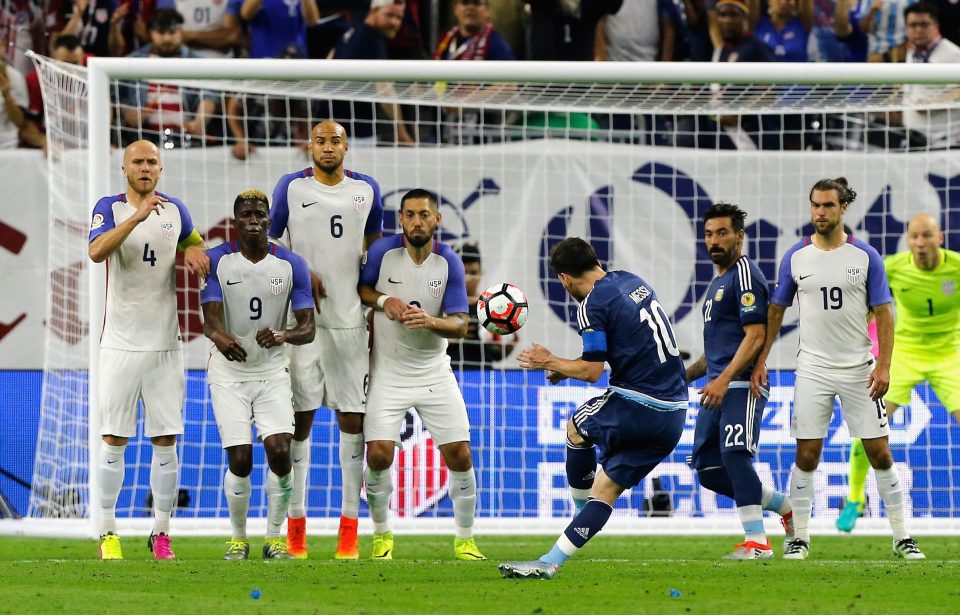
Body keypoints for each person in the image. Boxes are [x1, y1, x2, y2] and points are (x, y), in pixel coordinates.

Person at [750, 177, 925, 560]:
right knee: (807, 455)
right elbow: (777, 309)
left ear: (843, 208)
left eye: (828, 206)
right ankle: (799, 538)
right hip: (812, 369)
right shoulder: (796, 256)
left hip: (859, 369)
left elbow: (884, 313)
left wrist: (884, 365)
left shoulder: (865, 257)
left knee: (880, 453)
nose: (820, 212)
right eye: (815, 205)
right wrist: (761, 358)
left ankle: (902, 537)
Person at [499, 238, 688, 580]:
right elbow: (611, 351)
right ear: (596, 260)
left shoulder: (590, 304)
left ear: (564, 278)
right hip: (674, 414)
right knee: (607, 490)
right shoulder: (632, 280)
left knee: (576, 427)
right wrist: (562, 366)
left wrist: (550, 359)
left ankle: (578, 511)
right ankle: (550, 561)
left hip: (638, 402)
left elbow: (591, 371)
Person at [87, 139, 209, 560]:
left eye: (152, 162)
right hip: (119, 344)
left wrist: (194, 251)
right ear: (124, 169)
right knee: (113, 438)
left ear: (161, 169)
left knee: (165, 440)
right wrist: (136, 218)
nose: (145, 168)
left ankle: (161, 534)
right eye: (137, 162)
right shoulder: (110, 207)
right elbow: (96, 251)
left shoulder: (176, 211)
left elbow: (195, 245)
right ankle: (107, 533)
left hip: (164, 345)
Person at [269, 120, 383, 560]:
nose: (328, 147)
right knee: (300, 422)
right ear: (310, 146)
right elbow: (271, 242)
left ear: (346, 146)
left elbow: (374, 248)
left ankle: (349, 531)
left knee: (352, 423)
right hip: (304, 325)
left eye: (335, 140)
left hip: (350, 324)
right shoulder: (291, 187)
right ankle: (295, 529)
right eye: (321, 140)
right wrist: (302, 270)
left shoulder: (366, 190)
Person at [358, 188, 485, 561]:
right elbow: (361, 290)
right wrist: (386, 301)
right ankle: (382, 536)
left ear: (437, 220)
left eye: (424, 215)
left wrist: (430, 321)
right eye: (410, 215)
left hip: (434, 372)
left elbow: (461, 326)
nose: (416, 221)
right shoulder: (383, 253)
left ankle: (465, 539)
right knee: (379, 454)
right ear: (401, 220)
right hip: (388, 372)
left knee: (460, 454)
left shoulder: (450, 263)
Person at [201, 189, 315, 560]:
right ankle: (238, 538)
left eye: (260, 214)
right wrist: (220, 336)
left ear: (269, 220)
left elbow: (308, 328)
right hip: (230, 374)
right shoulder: (218, 261)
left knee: (281, 451)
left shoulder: (292, 265)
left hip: (271, 372)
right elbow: (210, 321)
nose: (254, 219)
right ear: (235, 221)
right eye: (246, 213)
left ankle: (274, 538)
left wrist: (282, 334)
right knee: (240, 459)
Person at [837, 213, 960, 532]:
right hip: (904, 354)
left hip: (949, 355)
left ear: (940, 238)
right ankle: (854, 499)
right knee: (869, 425)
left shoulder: (956, 267)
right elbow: (863, 300)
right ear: (908, 239)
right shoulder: (893, 266)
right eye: (915, 237)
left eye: (927, 236)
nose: (920, 243)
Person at [685, 203, 794, 559]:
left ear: (739, 236)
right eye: (708, 234)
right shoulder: (717, 283)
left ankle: (757, 543)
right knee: (709, 470)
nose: (714, 240)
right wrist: (681, 377)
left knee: (735, 456)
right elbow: (712, 354)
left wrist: (725, 379)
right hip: (717, 386)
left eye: (722, 233)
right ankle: (785, 506)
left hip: (742, 385)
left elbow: (755, 334)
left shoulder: (744, 273)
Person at [327, 0, 414, 145]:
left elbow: (328, 63)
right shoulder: (372, 39)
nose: (394, 22)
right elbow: (385, 89)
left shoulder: (350, 32)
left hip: (330, 131)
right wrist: (402, 134)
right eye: (390, 15)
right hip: (356, 136)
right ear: (374, 11)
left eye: (399, 18)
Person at [447, 242, 516, 371]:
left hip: (482, 378)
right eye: (463, 272)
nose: (468, 278)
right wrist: (449, 334)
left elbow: (498, 356)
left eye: (473, 272)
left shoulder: (492, 308)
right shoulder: (441, 306)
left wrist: (506, 344)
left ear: (481, 273)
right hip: (446, 379)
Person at [902, 2, 960, 149]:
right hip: (914, 139)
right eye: (913, 25)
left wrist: (934, 104)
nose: (918, 30)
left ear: (936, 25)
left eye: (924, 24)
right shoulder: (912, 52)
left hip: (946, 143)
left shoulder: (952, 53)